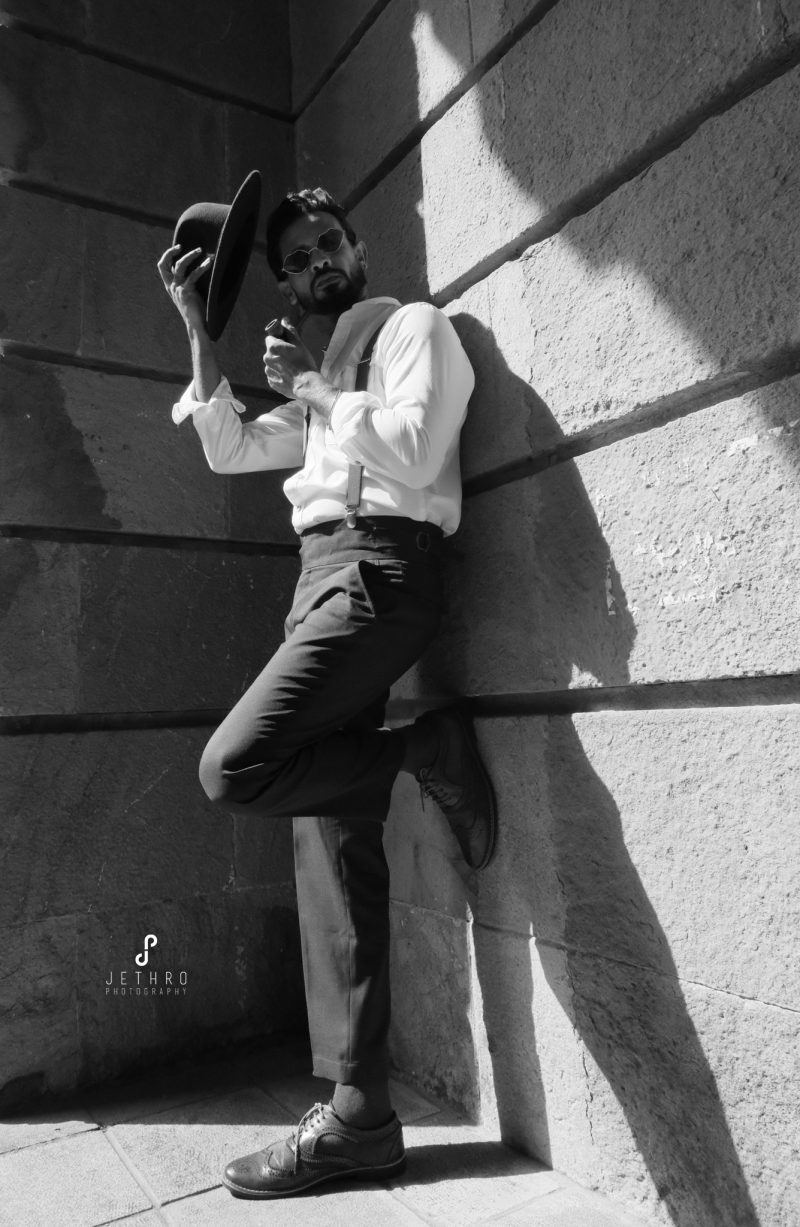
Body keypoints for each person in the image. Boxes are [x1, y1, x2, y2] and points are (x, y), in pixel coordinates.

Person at [156, 187, 497, 1199]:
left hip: (380, 573)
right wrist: (198, 330)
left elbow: (415, 450)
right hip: (319, 584)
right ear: (287, 283)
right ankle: (360, 1116)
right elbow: (227, 447)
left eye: (327, 245)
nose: (316, 265)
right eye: (297, 260)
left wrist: (311, 387)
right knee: (335, 850)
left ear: (358, 247)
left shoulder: (411, 330)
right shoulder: (320, 379)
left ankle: (423, 750)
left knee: (235, 767)